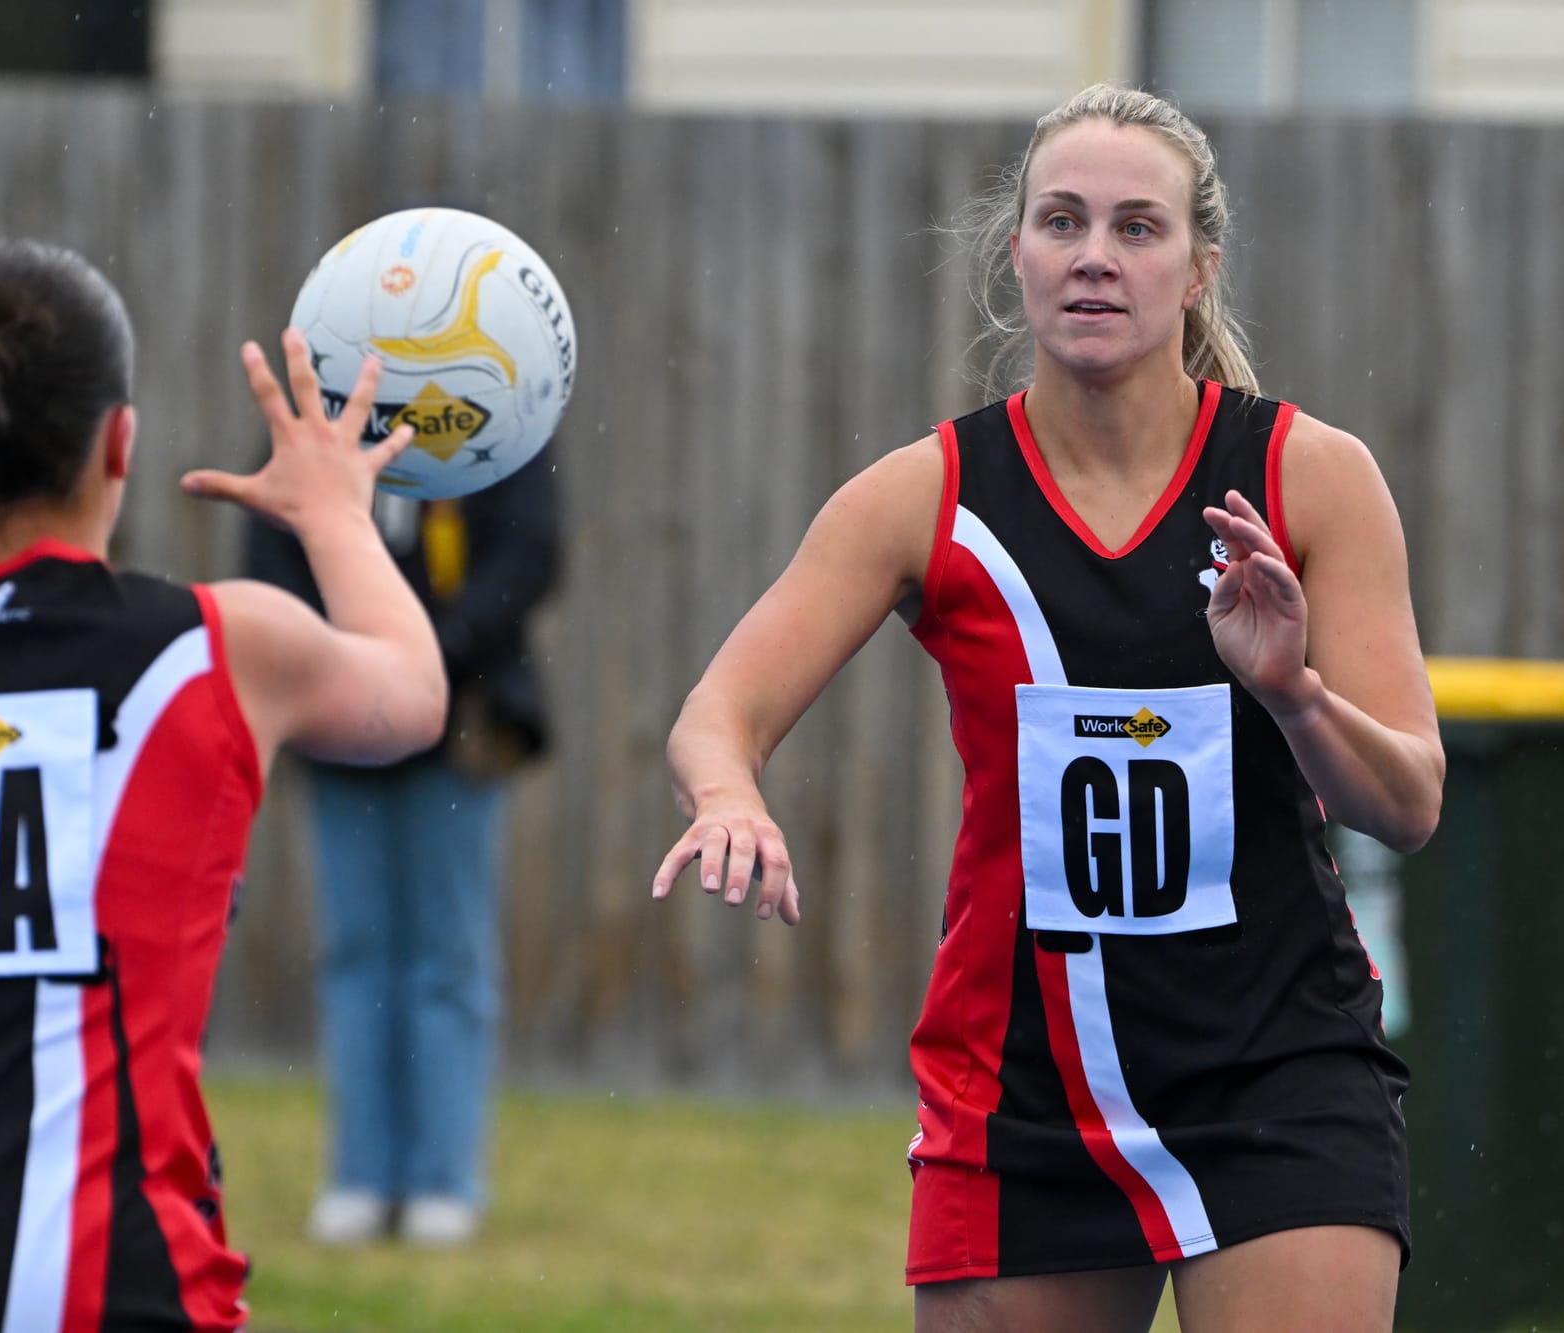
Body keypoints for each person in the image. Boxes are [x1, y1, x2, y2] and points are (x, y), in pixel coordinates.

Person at [652, 84, 1444, 1333]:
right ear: (1012, 251)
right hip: (1022, 1090)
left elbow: (1405, 804)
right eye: (1060, 221)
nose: (1092, 256)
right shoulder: (927, 496)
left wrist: (1292, 693)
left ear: (1196, 269)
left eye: (1137, 228)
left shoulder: (1307, 476)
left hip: (1279, 1073)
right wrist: (727, 794)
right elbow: (718, 709)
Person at [0, 239, 446, 1331]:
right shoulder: (210, 650)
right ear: (120, 442)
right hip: (87, 1285)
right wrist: (336, 510)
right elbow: (412, 698)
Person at [244, 438, 559, 1248]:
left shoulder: (499, 401)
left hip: (459, 719)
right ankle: (360, 1174)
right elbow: (269, 555)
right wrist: (340, 663)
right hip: (337, 719)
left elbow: (530, 552)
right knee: (357, 952)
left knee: (445, 956)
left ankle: (442, 1181)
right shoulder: (312, 413)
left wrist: (427, 657)